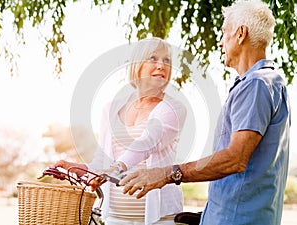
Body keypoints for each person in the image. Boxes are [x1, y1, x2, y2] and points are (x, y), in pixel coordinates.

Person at [120, 1, 291, 225]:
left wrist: (168, 174)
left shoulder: (256, 84)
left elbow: (235, 159)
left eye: (224, 33)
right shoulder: (267, 83)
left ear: (241, 34)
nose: (220, 43)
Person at [54, 37, 187, 225]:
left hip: (159, 219)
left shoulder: (174, 108)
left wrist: (116, 168)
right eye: (153, 58)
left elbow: (147, 143)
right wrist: (77, 170)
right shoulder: (111, 108)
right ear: (137, 65)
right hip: (116, 218)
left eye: (167, 61)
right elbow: (101, 163)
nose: (161, 66)